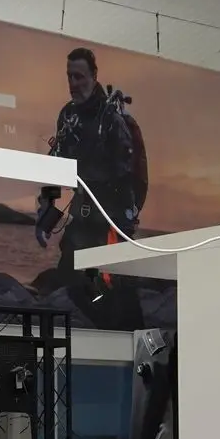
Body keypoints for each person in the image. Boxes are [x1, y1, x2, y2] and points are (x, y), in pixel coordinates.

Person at [33, 47, 147, 328]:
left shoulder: (111, 119)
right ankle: (108, 326)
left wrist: (124, 223)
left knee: (115, 288)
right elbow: (56, 163)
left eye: (80, 77)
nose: (73, 83)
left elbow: (127, 173)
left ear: (94, 76)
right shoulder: (67, 115)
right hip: (83, 216)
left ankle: (132, 334)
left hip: (111, 219)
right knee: (70, 276)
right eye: (69, 76)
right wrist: (47, 208)